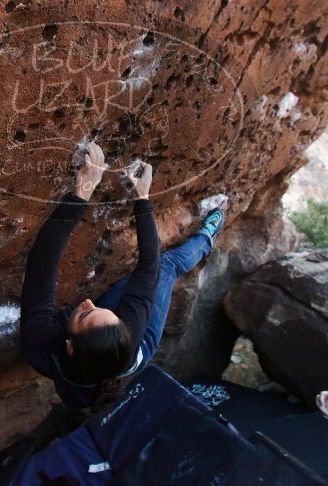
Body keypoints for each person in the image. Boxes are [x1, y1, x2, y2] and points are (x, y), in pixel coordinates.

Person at [20, 142, 227, 408]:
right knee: (168, 265)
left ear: (69, 347)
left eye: (87, 313)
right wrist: (142, 198)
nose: (88, 302)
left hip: (96, 363)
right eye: (94, 312)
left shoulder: (38, 346)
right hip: (137, 349)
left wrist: (82, 193)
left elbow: (41, 265)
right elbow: (150, 267)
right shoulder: (133, 329)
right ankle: (205, 238)